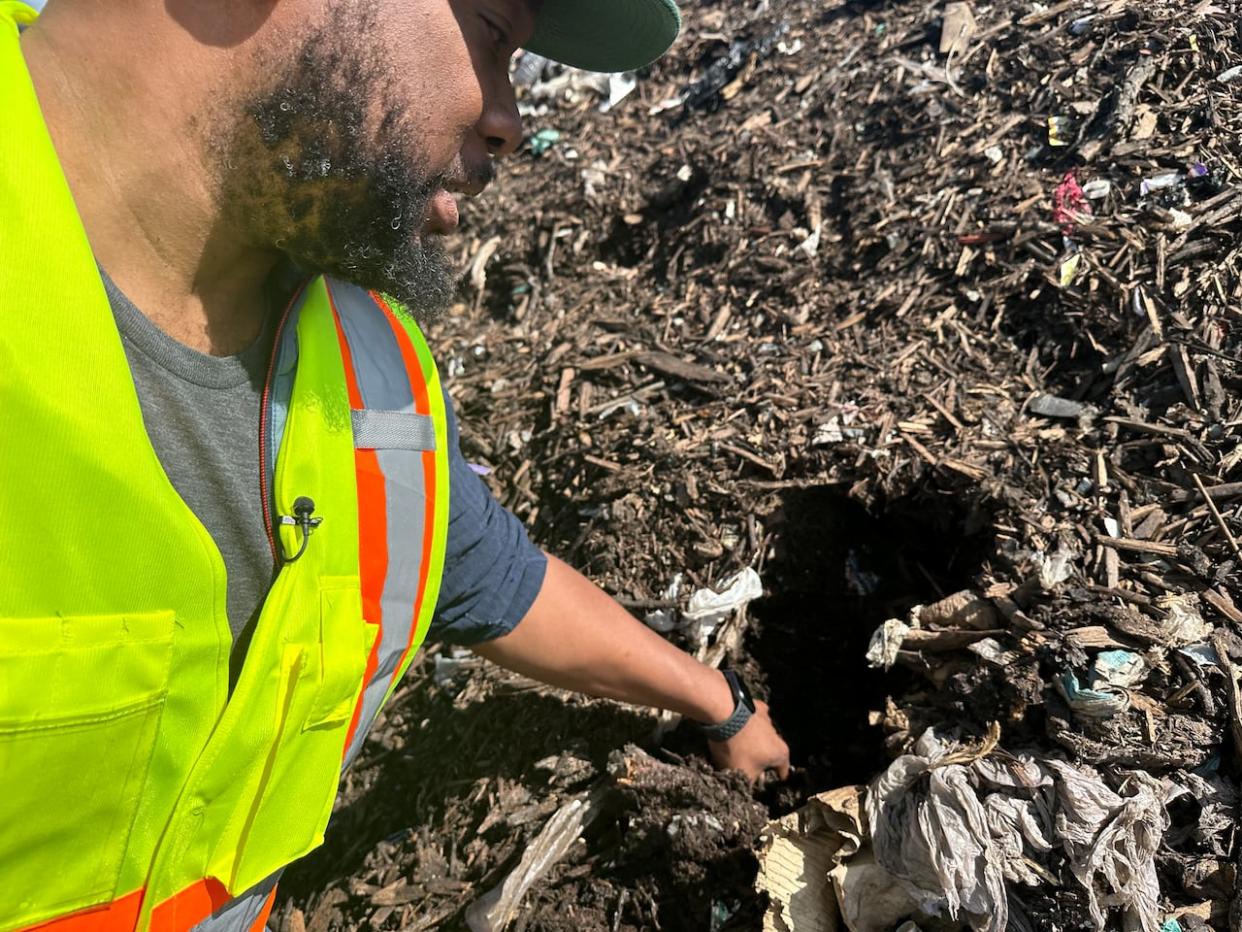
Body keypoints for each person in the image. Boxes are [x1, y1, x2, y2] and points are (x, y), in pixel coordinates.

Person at [0, 0, 791, 928]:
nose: (509, 118)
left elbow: (489, 575)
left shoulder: (371, 374)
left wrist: (719, 703)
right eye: (495, 36)